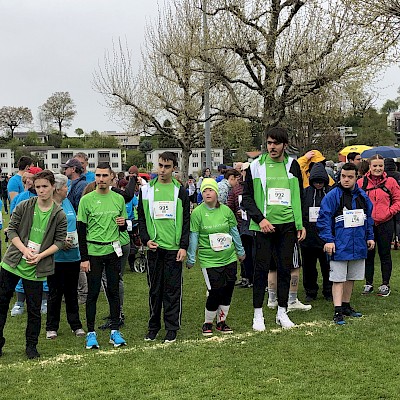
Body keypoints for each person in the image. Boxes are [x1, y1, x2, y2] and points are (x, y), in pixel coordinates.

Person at [242, 127, 305, 331]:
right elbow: (247, 199)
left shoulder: (292, 165)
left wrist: (300, 223)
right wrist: (260, 220)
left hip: (288, 226)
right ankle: (257, 314)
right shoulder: (255, 166)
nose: (272, 147)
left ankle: (282, 312)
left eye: (276, 143)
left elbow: (299, 195)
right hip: (264, 228)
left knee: (285, 270)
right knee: (260, 271)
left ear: (284, 145)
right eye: (269, 143)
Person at [0, 170, 67, 359]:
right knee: (2, 303)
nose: (41, 190)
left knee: (34, 310)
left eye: (45, 186)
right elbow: (11, 231)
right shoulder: (24, 206)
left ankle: (31, 346)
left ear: (53, 187)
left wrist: (40, 256)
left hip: (37, 267)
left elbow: (60, 241)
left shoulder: (59, 214)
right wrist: (24, 250)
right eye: (38, 187)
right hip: (12, 263)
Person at [138, 151, 190, 343]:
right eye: (160, 165)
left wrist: (183, 246)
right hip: (154, 248)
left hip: (174, 249)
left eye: (167, 166)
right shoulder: (146, 190)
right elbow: (141, 218)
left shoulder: (180, 191)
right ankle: (153, 327)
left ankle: (171, 328)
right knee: (155, 290)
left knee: (172, 290)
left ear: (174, 168)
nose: (162, 170)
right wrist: (145, 240)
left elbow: (186, 220)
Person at [77, 162, 128, 349]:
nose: (101, 179)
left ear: (111, 177)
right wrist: (84, 258)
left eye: (104, 175)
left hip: (113, 251)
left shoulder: (118, 199)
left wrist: (123, 224)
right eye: (98, 175)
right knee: (93, 293)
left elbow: (123, 227)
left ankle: (115, 331)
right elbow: (81, 231)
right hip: (93, 253)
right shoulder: (86, 200)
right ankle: (91, 333)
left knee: (113, 291)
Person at [317, 163, 374, 325]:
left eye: (350, 177)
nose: (346, 179)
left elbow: (368, 219)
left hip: (358, 245)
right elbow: (323, 220)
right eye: (343, 176)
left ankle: (346, 305)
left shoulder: (363, 196)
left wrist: (370, 237)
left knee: (351, 277)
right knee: (338, 279)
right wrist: (329, 240)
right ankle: (337, 311)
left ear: (357, 177)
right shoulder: (332, 196)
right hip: (340, 245)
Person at [187, 178, 245, 335]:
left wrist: (240, 251)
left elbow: (234, 232)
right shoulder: (197, 213)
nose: (207, 193)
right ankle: (207, 323)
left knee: (228, 289)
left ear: (217, 193)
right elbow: (194, 236)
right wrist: (191, 257)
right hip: (210, 260)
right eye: (204, 191)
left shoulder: (226, 211)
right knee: (215, 290)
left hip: (229, 257)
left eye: (210, 190)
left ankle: (221, 322)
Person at [46, 174, 85, 339]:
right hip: (56, 257)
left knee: (71, 292)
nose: (67, 189)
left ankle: (75, 325)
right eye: (65, 187)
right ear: (57, 189)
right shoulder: (48, 206)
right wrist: (60, 241)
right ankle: (51, 327)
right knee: (55, 293)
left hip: (73, 256)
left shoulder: (68, 202)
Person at [357, 155, 400, 297]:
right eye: (375, 166)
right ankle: (368, 283)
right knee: (368, 254)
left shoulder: (391, 182)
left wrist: (389, 212)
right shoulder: (361, 182)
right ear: (369, 167)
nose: (377, 168)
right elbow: (355, 200)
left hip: (385, 223)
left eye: (380, 166)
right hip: (368, 224)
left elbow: (398, 200)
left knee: (385, 254)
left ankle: (385, 284)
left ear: (384, 167)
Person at [301, 162, 333, 301]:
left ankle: (329, 291)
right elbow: (301, 212)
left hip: (326, 237)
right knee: (309, 267)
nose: (318, 184)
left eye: (321, 182)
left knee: (328, 267)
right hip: (308, 237)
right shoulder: (305, 193)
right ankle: (310, 291)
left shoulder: (331, 193)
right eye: (316, 181)